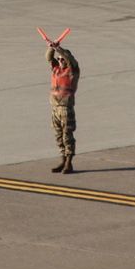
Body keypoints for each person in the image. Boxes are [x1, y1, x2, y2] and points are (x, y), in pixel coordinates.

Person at [47, 43, 80, 173]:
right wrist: (52, 47)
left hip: (66, 108)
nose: (59, 61)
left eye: (62, 59)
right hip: (55, 107)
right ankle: (62, 160)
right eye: (58, 59)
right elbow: (48, 57)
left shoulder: (72, 71)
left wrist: (59, 50)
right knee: (58, 135)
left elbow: (70, 60)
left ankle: (69, 162)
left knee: (67, 135)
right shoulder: (56, 69)